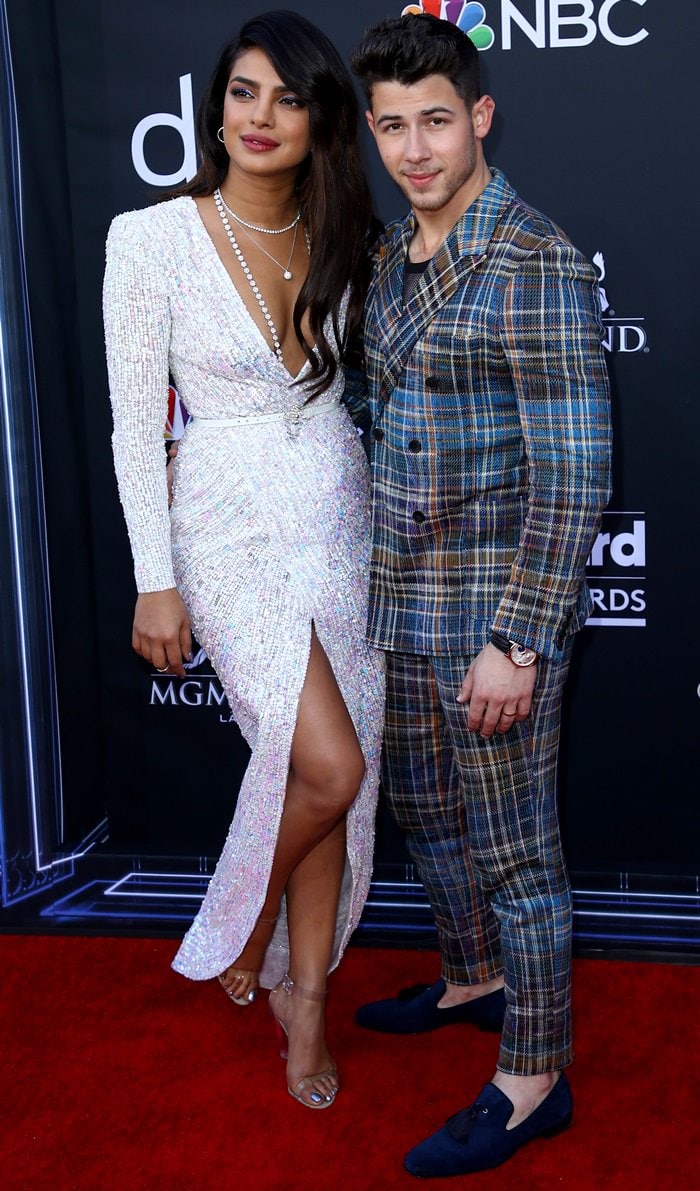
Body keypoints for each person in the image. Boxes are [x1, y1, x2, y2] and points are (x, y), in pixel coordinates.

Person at [103, 10, 384, 1111]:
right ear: (215, 107)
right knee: (331, 765)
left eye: (287, 97)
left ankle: (302, 996)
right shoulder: (150, 237)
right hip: (220, 524)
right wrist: (154, 576)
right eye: (241, 93)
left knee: (315, 773)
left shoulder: (346, 237)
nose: (260, 117)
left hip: (337, 512)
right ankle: (245, 923)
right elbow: (136, 427)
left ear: (320, 121)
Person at [347, 13, 612, 1175]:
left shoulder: (533, 258)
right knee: (427, 816)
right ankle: (473, 978)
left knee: (516, 853)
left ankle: (532, 1075)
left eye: (437, 122)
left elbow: (574, 469)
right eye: (393, 126)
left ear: (481, 117)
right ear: (372, 128)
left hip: (494, 615)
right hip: (401, 603)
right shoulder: (386, 258)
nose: (415, 149)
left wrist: (521, 638)